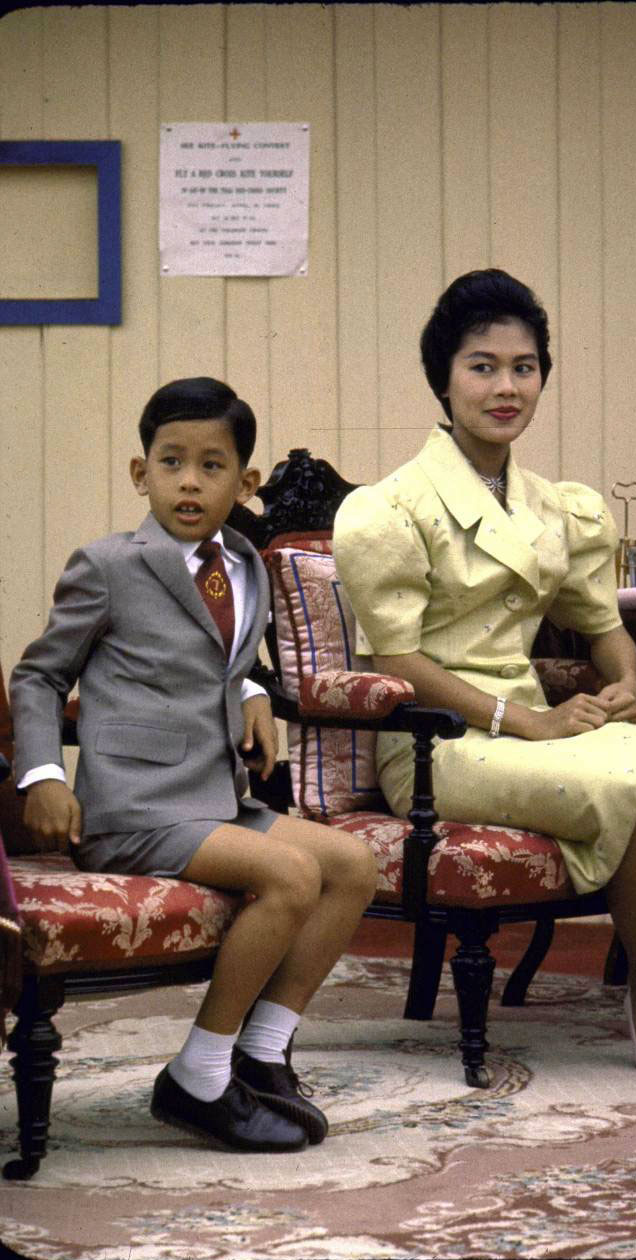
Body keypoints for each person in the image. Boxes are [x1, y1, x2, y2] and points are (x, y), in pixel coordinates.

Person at [333, 269, 636, 1082]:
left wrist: (624, 683)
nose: (506, 386)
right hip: (438, 745)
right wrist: (521, 720)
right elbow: (397, 662)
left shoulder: (554, 507)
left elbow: (605, 626)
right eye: (482, 365)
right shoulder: (388, 508)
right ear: (444, 377)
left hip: (534, 729)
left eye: (524, 367)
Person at [10, 377, 379, 1151]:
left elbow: (209, 649)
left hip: (214, 797)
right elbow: (39, 675)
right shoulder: (108, 565)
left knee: (351, 865)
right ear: (140, 473)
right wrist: (42, 774)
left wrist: (247, 687)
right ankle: (198, 1076)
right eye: (170, 461)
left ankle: (263, 1049)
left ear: (244, 483)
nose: (189, 480)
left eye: (212, 466)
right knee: (290, 874)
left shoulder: (245, 562)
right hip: (134, 810)